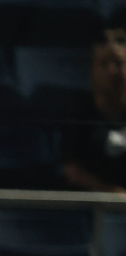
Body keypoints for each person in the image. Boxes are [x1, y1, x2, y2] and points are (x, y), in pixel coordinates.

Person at [62, 29, 126, 195]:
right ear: (92, 71)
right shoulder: (79, 115)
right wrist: (108, 191)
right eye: (104, 64)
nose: (112, 71)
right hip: (93, 203)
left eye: (119, 63)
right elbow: (71, 169)